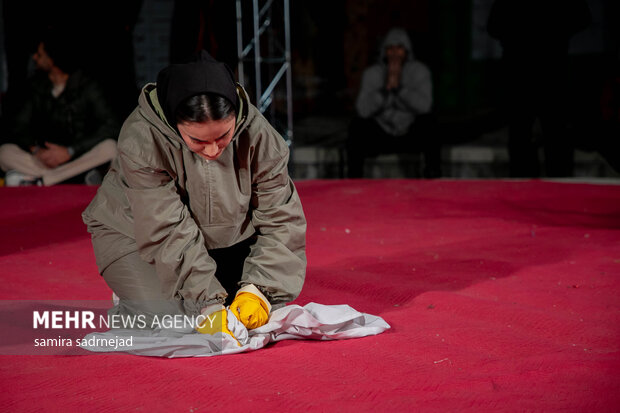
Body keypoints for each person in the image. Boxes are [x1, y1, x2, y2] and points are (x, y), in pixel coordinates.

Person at [81, 50, 307, 336]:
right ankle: (136, 299)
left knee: (255, 307)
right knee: (174, 320)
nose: (213, 150)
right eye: (198, 140)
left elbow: (282, 219)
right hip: (136, 236)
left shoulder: (261, 137)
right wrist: (207, 304)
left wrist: (258, 289)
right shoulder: (141, 139)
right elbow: (166, 228)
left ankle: (216, 288)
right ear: (176, 125)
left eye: (224, 135)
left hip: (223, 240)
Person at [0, 29, 120, 186]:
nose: (35, 58)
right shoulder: (36, 86)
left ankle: (42, 180)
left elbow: (111, 126)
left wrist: (70, 151)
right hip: (45, 159)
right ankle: (64, 178)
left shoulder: (87, 85)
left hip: (79, 156)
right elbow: (18, 127)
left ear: (53, 58)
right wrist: (37, 150)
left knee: (111, 148)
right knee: (4, 152)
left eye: (40, 54)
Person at [487, 0, 591, 177]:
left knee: (550, 129)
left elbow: (582, 18)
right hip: (528, 68)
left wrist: (552, 33)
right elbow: (493, 26)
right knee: (530, 130)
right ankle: (535, 182)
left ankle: (555, 181)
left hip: (545, 68)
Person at [346, 27, 438, 178]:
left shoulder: (419, 71)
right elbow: (362, 110)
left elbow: (425, 106)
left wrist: (400, 90)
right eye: (390, 48)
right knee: (357, 127)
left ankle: (433, 177)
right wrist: (385, 92)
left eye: (400, 48)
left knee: (430, 125)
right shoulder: (373, 74)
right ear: (384, 51)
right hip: (382, 133)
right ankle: (354, 181)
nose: (395, 53)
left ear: (407, 51)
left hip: (409, 132)